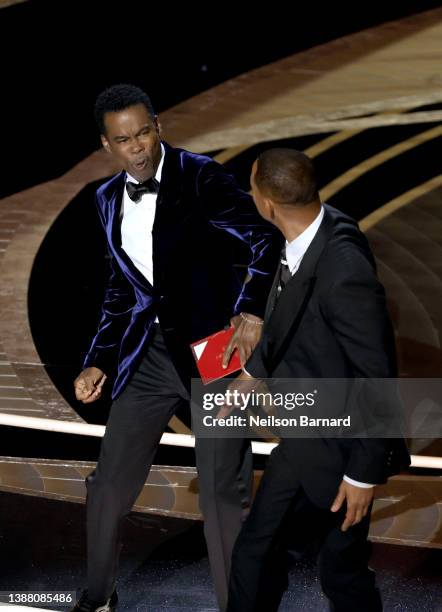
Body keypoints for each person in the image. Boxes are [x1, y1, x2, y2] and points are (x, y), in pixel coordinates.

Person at [71, 84, 282, 612]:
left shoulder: (200, 175)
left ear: (158, 126)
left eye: (144, 133)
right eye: (124, 140)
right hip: (147, 356)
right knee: (109, 486)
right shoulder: (103, 200)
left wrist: (252, 309)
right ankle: (97, 596)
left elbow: (265, 238)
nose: (137, 147)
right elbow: (122, 289)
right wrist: (99, 357)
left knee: (221, 496)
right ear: (107, 145)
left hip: (213, 350)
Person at [225, 149, 410, 611]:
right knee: (263, 553)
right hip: (308, 433)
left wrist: (363, 476)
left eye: (252, 185)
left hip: (341, 448)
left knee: (337, 571)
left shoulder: (343, 270)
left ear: (266, 203)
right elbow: (290, 313)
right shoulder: (326, 227)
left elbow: (376, 376)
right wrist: (253, 373)